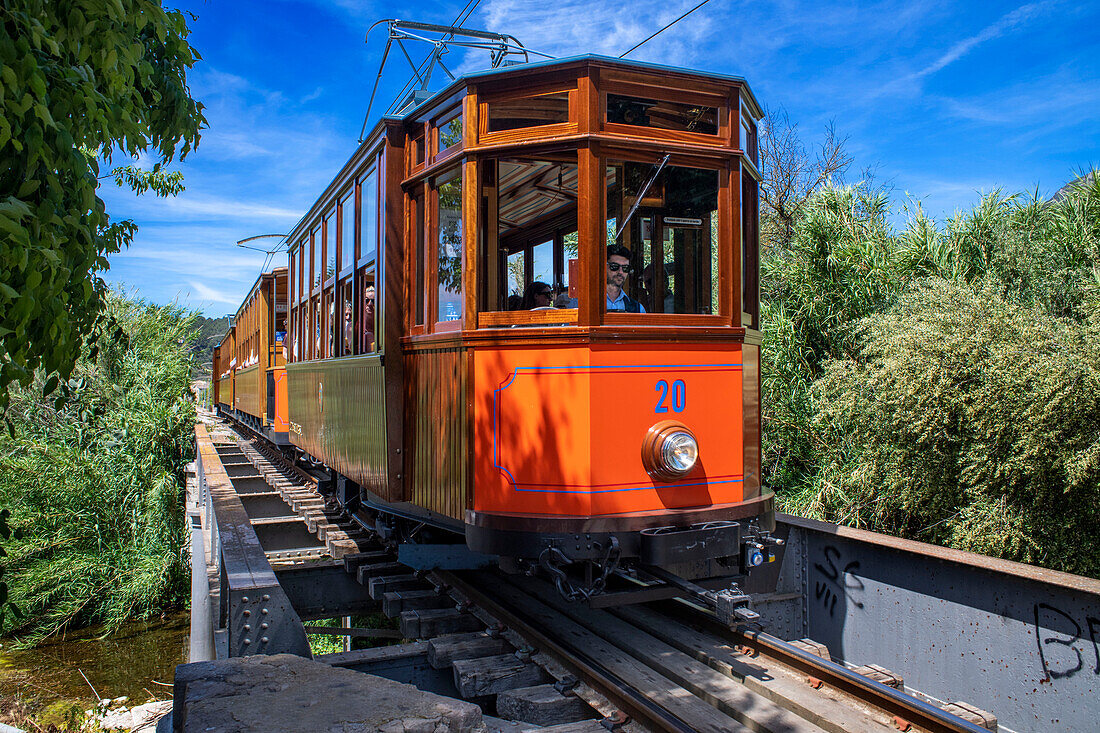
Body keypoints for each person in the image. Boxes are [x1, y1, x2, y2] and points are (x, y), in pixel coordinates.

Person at [605, 244, 645, 313]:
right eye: (615, 266)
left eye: (625, 268)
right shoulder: (585, 304)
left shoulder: (638, 309)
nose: (620, 272)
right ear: (603, 267)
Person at [362, 284, 376, 351]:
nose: (370, 304)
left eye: (373, 301)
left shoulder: (384, 326)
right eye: (366, 301)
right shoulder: (353, 327)